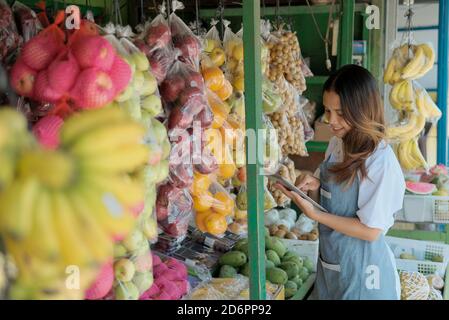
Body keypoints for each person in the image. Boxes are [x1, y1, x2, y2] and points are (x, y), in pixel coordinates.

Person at [275, 64, 405, 300]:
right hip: (332, 266)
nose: (331, 121)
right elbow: (332, 202)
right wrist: (313, 187)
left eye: (341, 113)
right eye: (327, 111)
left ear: (362, 110)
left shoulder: (380, 160)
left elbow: (371, 230)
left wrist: (315, 215)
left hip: (365, 277)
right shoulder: (338, 144)